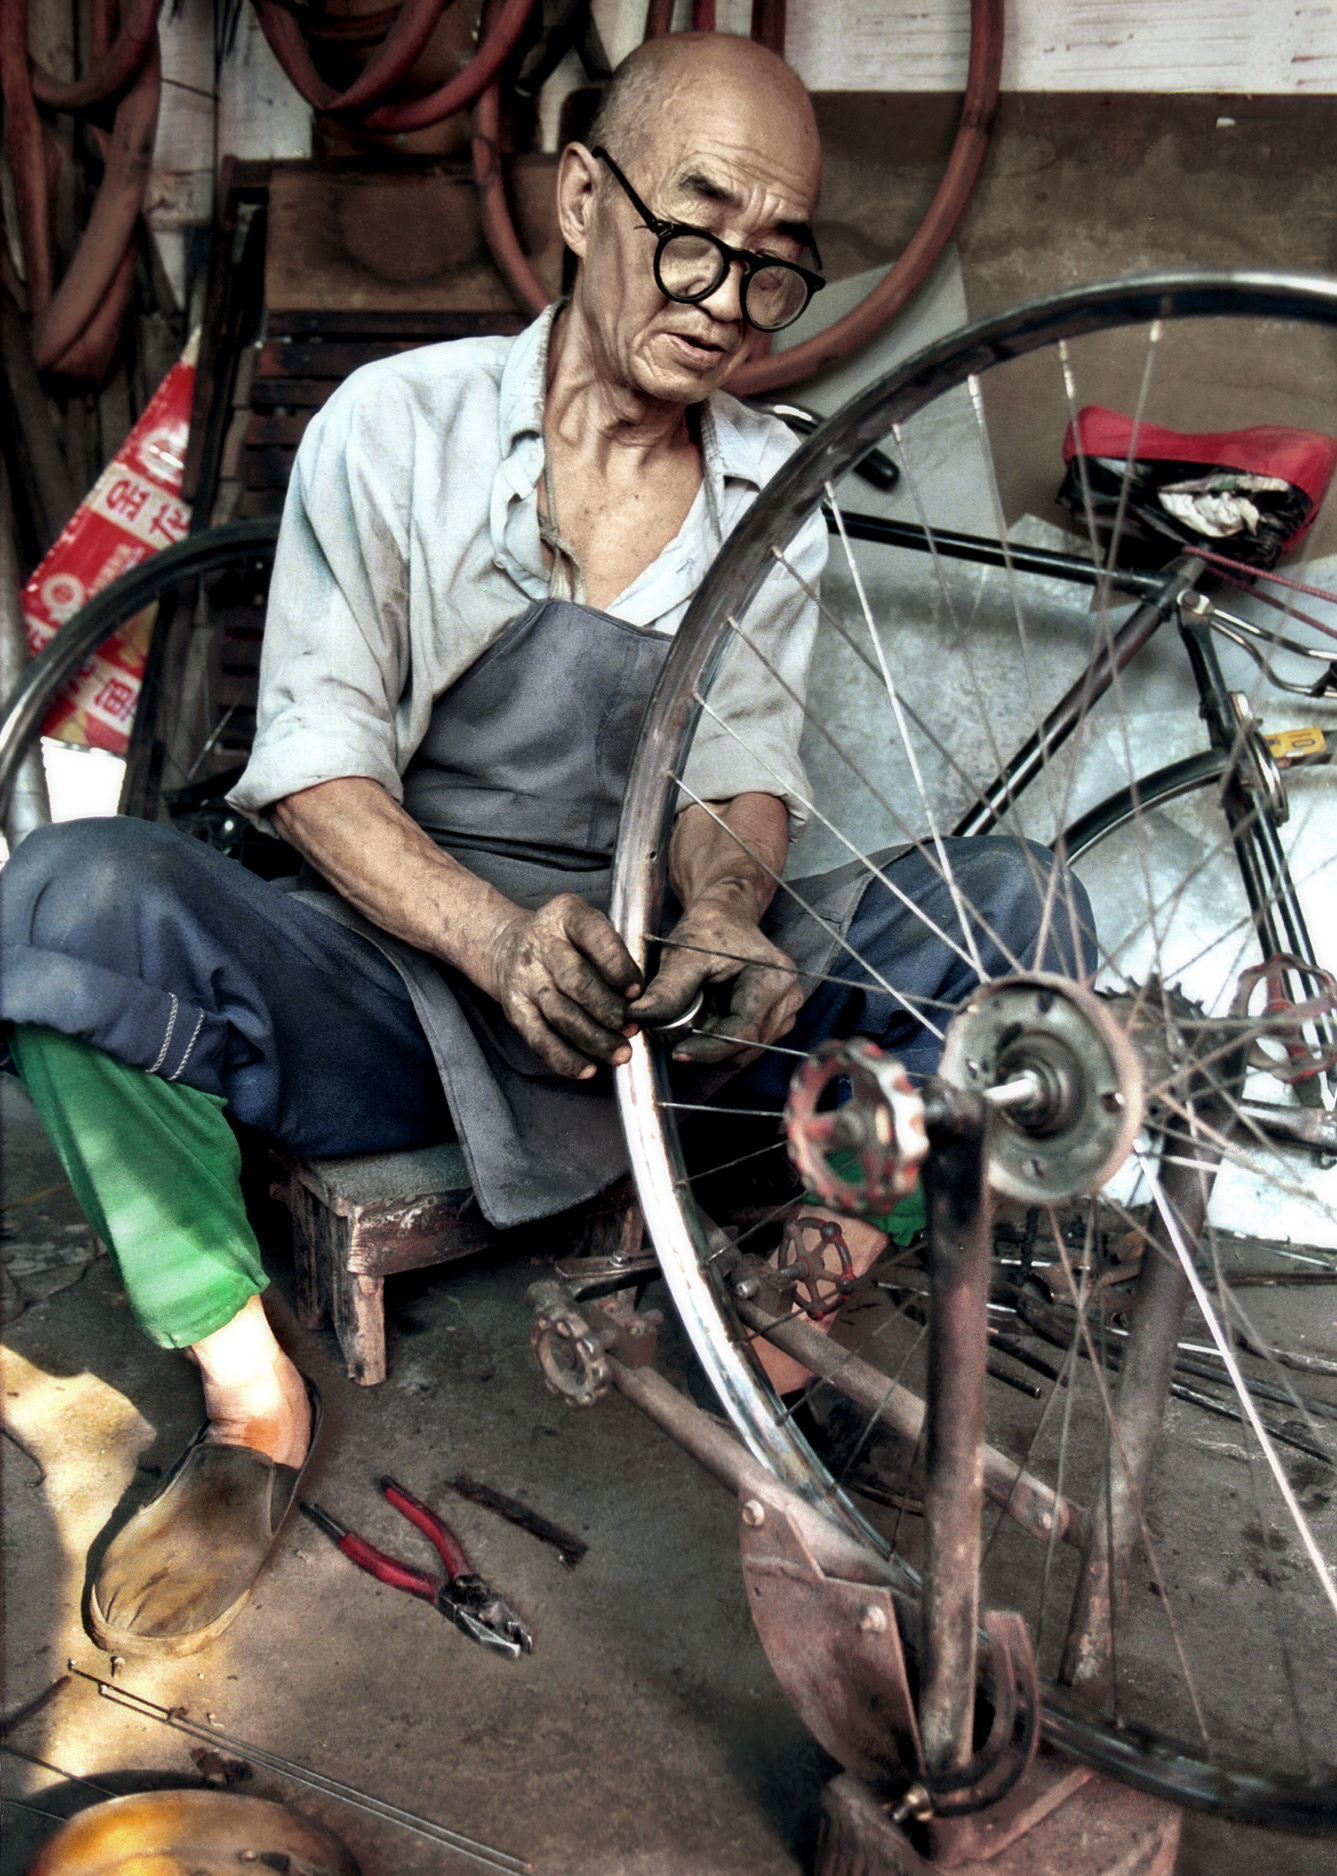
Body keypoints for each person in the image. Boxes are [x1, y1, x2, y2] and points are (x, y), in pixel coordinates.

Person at [0, 31, 1093, 1657]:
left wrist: (724, 913)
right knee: (71, 906)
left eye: (774, 264)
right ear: (584, 196)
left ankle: (791, 1316)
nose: (727, 293)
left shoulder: (758, 493)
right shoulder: (396, 427)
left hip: (654, 1011)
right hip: (399, 970)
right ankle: (251, 1403)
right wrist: (498, 943)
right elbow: (313, 771)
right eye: (695, 225)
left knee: (1017, 906)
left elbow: (736, 777)